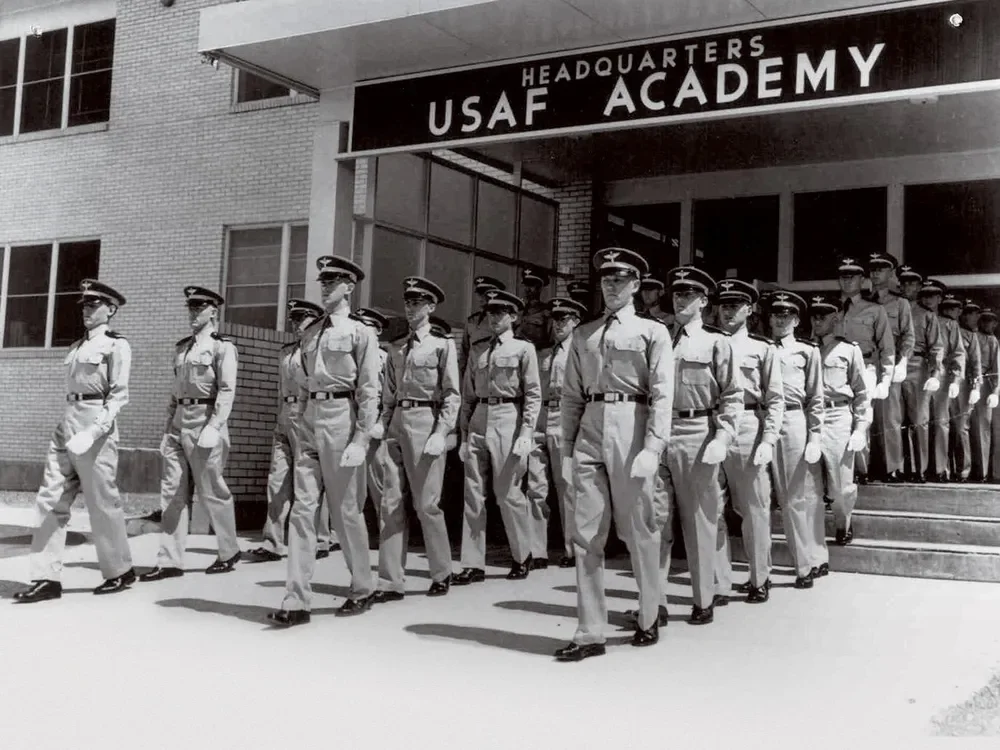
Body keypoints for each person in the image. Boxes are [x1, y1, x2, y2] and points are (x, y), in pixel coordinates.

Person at [553, 247, 672, 662]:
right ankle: (589, 632)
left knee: (639, 529)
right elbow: (570, 395)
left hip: (632, 424)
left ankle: (649, 614)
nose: (612, 287)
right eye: (606, 280)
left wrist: (654, 446)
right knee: (585, 536)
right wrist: (567, 449)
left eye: (620, 280)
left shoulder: (652, 332)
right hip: (591, 424)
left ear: (637, 286)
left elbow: (662, 393)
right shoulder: (583, 334)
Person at [267, 255, 380, 627]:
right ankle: (296, 598)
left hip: (342, 419)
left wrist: (361, 437)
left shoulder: (362, 332)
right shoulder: (311, 332)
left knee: (347, 511)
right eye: (323, 281)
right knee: (303, 510)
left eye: (333, 281)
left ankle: (363, 586)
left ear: (349, 286)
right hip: (311, 421)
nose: (326, 286)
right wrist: (300, 419)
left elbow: (368, 389)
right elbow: (302, 382)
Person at [14, 280, 136, 603]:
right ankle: (46, 577)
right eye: (84, 304)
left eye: (94, 305)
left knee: (101, 502)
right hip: (68, 420)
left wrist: (94, 431)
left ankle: (120, 570)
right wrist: (69, 428)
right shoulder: (75, 347)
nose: (87, 310)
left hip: (95, 423)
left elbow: (118, 396)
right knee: (49, 497)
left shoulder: (116, 346)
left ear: (110, 309)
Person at [141, 286, 240, 582]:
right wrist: (166, 430)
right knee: (172, 493)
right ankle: (169, 560)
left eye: (199, 307)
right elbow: (175, 394)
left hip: (205, 422)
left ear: (213, 311)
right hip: (179, 424)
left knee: (212, 491)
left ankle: (228, 550)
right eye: (190, 307)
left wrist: (215, 425)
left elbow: (226, 389)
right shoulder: (181, 349)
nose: (193, 313)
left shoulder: (223, 347)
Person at [660, 265, 741, 626]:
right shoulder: (659, 336)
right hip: (658, 433)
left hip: (696, 432)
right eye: (677, 294)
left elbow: (733, 396)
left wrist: (722, 437)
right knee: (654, 522)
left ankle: (703, 598)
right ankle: (653, 602)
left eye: (689, 295)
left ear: (704, 301)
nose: (681, 300)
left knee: (700, 522)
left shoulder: (715, 341)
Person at [371, 277, 460, 602]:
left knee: (427, 505)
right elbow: (389, 396)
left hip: (426, 422)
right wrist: (381, 425)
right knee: (390, 504)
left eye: (418, 302)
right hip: (396, 424)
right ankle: (390, 581)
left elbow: (452, 394)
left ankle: (441, 572)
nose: (411, 308)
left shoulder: (442, 345)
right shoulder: (396, 347)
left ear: (431, 307)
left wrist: (442, 431)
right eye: (408, 302)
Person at [455, 289, 541, 584]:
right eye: (490, 312)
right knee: (473, 495)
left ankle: (522, 555)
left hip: (508, 418)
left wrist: (527, 431)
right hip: (480, 415)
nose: (494, 317)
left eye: (501, 312)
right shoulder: (478, 350)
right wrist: (464, 436)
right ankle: (472, 563)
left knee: (508, 493)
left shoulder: (523, 349)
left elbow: (532, 394)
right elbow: (467, 396)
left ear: (514, 317)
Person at [247, 299, 333, 563]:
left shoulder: (320, 350)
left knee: (310, 482)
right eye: (294, 319)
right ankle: (273, 542)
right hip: (286, 417)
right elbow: (281, 391)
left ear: (316, 320)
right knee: (277, 481)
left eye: (302, 319)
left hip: (309, 417)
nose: (296, 324)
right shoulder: (286, 352)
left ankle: (320, 540)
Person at [715, 279, 783, 603]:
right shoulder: (707, 342)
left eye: (735, 305)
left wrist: (768, 439)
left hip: (746, 427)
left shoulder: (762, 348)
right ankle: (717, 584)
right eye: (724, 304)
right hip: (709, 426)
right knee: (709, 508)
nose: (728, 311)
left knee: (753, 507)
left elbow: (776, 398)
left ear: (750, 309)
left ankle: (759, 579)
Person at [767, 291, 825, 589]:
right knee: (759, 499)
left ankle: (804, 566)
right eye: (776, 314)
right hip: (762, 421)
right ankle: (760, 573)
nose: (780, 319)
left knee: (793, 498)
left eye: (787, 315)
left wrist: (814, 435)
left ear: (797, 320)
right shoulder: (762, 347)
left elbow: (816, 398)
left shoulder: (807, 351)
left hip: (792, 421)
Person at [527, 297, 587, 571]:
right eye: (555, 319)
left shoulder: (581, 354)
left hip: (565, 421)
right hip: (540, 420)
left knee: (567, 488)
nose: (558, 325)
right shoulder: (543, 354)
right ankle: (536, 551)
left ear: (576, 322)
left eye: (564, 319)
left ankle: (572, 549)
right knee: (536, 488)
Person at [809, 294, 870, 546]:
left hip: (837, 418)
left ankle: (843, 522)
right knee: (808, 483)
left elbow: (862, 394)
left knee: (840, 485)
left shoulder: (849, 349)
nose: (818, 320)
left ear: (835, 319)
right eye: (814, 315)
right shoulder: (804, 348)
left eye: (824, 315)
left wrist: (860, 428)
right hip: (808, 418)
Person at [836, 256, 893, 485]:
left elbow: (887, 347)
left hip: (865, 367)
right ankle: (841, 471)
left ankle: (861, 471)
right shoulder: (831, 309)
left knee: (862, 417)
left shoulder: (874, 309)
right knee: (838, 418)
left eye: (853, 277)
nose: (848, 281)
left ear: (862, 280)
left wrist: (886, 378)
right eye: (843, 277)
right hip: (836, 369)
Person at [866, 253, 914, 482]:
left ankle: (892, 467)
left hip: (889, 364)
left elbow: (907, 336)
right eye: (872, 268)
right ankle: (867, 466)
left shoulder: (900, 303)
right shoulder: (862, 302)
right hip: (866, 364)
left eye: (882, 268)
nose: (876, 273)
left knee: (890, 418)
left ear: (891, 273)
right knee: (866, 415)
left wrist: (902, 361)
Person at [897, 268, 944, 482]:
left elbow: (936, 347)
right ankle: (897, 468)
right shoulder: (891, 309)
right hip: (894, 364)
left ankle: (919, 469)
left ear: (919, 287)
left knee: (918, 421)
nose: (907, 287)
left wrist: (935, 373)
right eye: (904, 283)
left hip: (917, 365)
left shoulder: (926, 314)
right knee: (894, 420)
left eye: (912, 284)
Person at [351, 307, 391, 524]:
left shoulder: (384, 358)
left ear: (377, 331)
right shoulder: (351, 355)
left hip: (375, 425)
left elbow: (388, 393)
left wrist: (381, 423)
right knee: (349, 481)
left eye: (366, 326)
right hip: (352, 422)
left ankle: (385, 528)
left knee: (378, 480)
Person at [928, 284, 967, 481]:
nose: (928, 300)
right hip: (919, 373)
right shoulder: (914, 318)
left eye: (932, 296)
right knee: (917, 423)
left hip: (941, 375)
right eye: (924, 296)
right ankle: (920, 468)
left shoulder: (948, 324)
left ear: (939, 299)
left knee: (941, 422)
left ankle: (940, 469)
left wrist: (956, 379)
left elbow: (958, 354)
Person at [947, 299, 983, 482]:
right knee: (944, 428)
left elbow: (976, 365)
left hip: (963, 387)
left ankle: (963, 471)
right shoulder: (942, 328)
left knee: (961, 428)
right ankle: (945, 470)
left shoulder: (969, 335)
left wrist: (976, 387)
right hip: (944, 382)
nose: (951, 311)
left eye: (955, 308)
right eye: (947, 308)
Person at [973, 309, 1000, 482]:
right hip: (974, 383)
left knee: (987, 430)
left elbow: (996, 369)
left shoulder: (993, 341)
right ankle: (977, 472)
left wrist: (995, 390)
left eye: (990, 321)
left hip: (989, 385)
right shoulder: (973, 336)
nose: (987, 324)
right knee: (974, 429)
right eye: (984, 320)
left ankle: (988, 473)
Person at [459, 275, 505, 376]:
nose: (481, 297)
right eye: (479, 293)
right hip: (472, 374)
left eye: (485, 293)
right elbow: (464, 352)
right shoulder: (472, 321)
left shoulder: (502, 321)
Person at [515, 268, 551, 348]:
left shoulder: (546, 312)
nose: (527, 289)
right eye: (525, 285)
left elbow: (550, 342)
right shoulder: (517, 310)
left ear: (540, 288)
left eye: (531, 285)